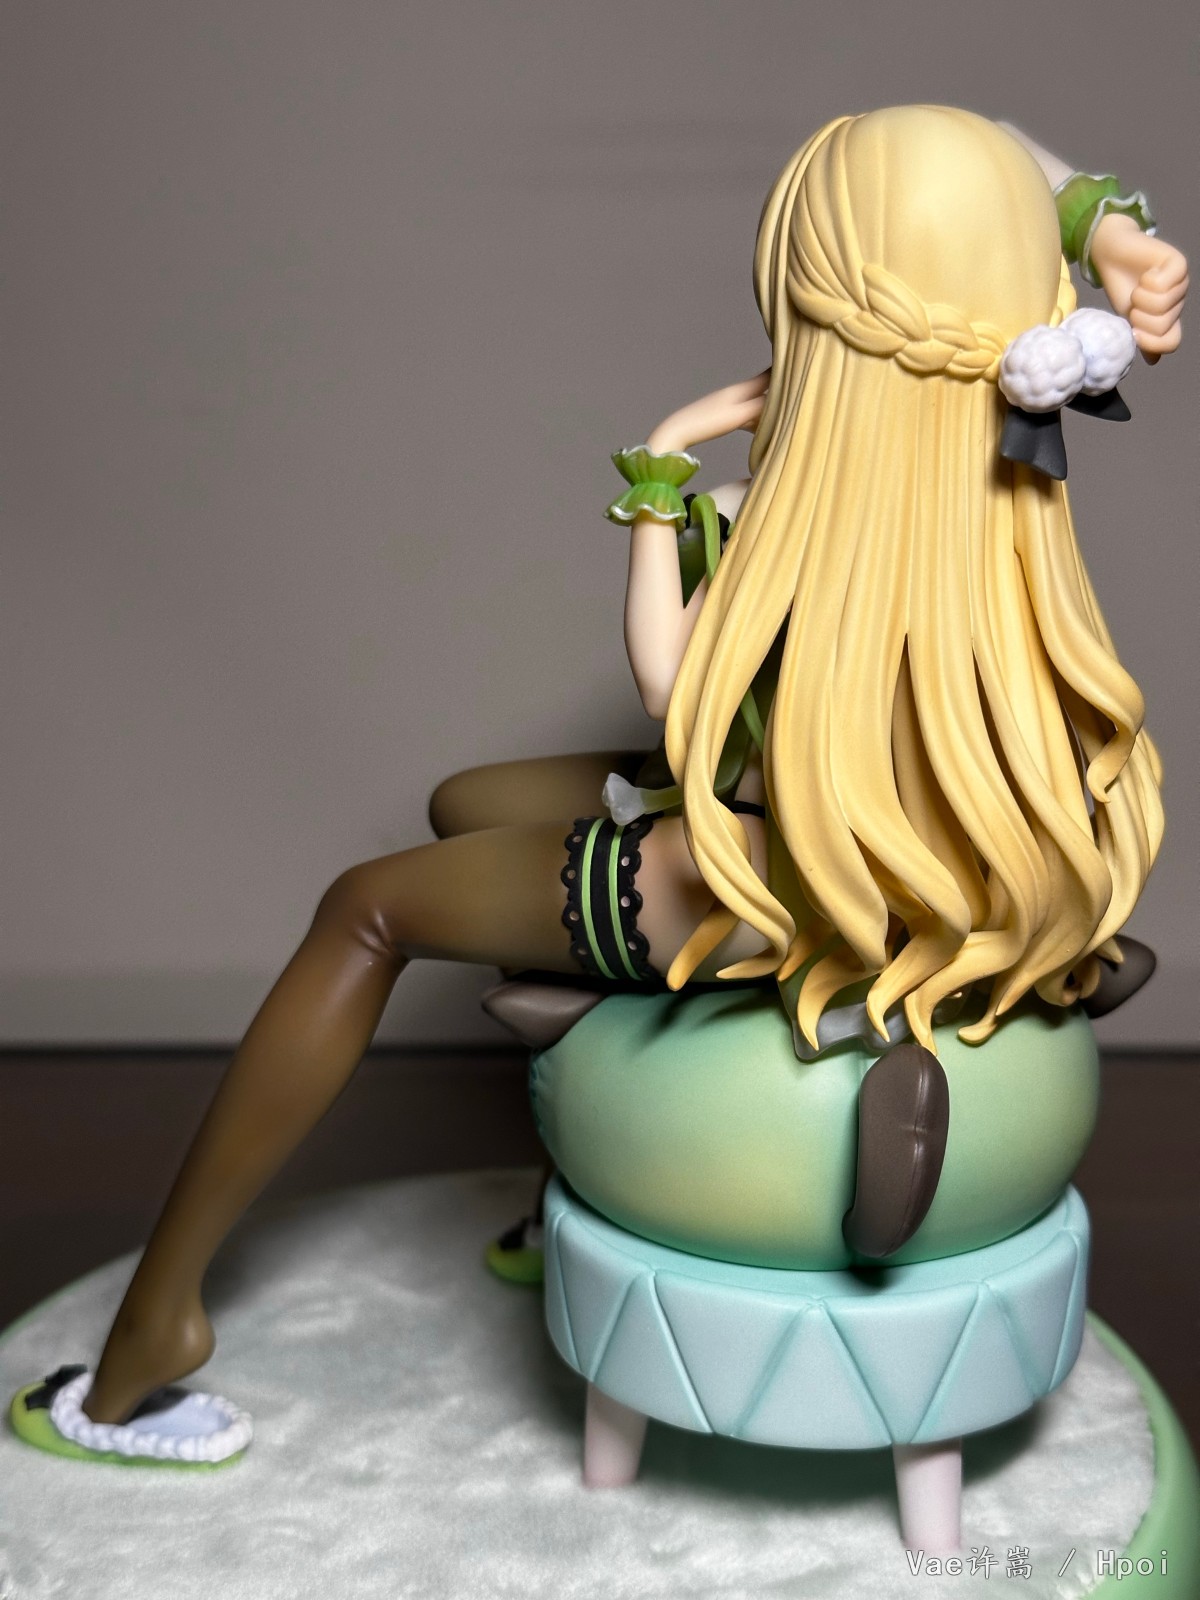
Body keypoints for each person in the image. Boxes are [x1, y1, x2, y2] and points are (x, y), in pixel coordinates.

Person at [20, 107, 1187, 1452]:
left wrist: (661, 469)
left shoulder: (810, 540)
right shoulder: (999, 489)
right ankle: (577, 1150)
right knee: (466, 805)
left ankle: (153, 1331)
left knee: (367, 907)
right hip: (900, 846)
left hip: (779, 882)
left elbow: (680, 706)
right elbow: (984, 156)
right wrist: (1105, 222)